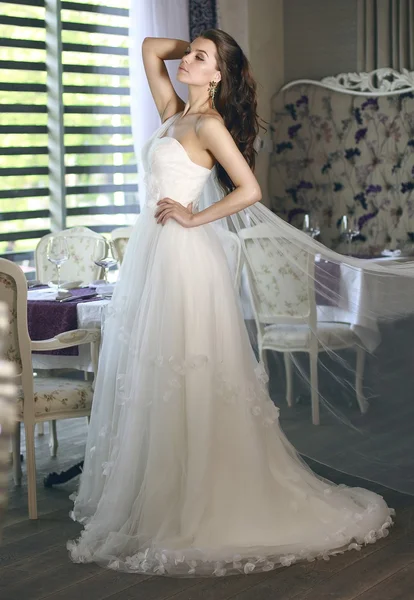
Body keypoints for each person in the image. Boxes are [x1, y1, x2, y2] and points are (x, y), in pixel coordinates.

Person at [67, 29, 394, 577]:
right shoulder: (173, 113)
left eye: (200, 59)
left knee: (189, 366)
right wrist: (205, 47)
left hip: (185, 257)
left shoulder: (208, 125)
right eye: (190, 54)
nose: (186, 61)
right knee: (155, 372)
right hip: (154, 256)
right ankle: (162, 495)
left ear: (218, 76)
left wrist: (194, 216)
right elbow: (150, 46)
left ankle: (203, 500)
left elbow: (249, 190)